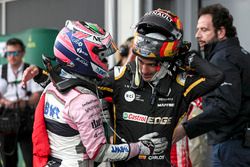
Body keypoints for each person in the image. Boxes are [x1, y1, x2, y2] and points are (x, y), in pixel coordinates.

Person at [21, 9, 224, 167]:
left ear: (167, 60)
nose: (144, 69)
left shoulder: (180, 84)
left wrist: (187, 56)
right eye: (140, 60)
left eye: (152, 63)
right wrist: (43, 76)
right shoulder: (118, 78)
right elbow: (75, 94)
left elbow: (216, 77)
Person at [32, 20, 169, 167]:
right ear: (81, 55)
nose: (104, 60)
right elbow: (99, 152)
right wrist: (141, 147)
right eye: (99, 53)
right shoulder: (83, 99)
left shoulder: (52, 87)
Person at [172, 3, 250, 167]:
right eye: (197, 29)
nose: (197, 35)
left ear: (221, 32)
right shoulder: (239, 54)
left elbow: (225, 107)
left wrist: (184, 130)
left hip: (232, 147)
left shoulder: (223, 59)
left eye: (204, 30)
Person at [0, 38, 43, 167]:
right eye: (9, 53)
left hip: (26, 119)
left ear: (23, 53)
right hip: (6, 120)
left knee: (31, 160)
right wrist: (4, 101)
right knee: (8, 161)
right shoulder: (1, 70)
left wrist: (24, 102)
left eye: (16, 53)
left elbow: (37, 94)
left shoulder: (30, 69)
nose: (12, 57)